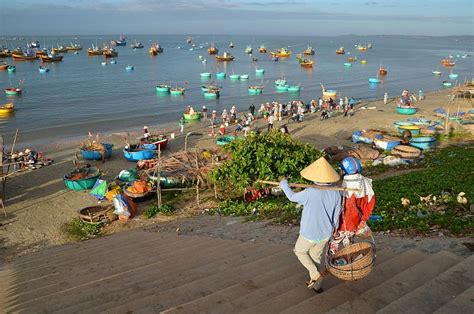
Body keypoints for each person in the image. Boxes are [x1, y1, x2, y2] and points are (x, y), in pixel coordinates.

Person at [280, 157, 342, 291]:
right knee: (315, 256)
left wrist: (284, 184)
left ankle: (315, 274)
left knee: (300, 251)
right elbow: (336, 215)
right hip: (326, 232)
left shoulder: (310, 192)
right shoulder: (336, 192)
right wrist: (335, 231)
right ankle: (317, 286)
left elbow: (292, 197)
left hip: (309, 232)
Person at [330, 157, 375, 252]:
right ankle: (349, 262)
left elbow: (338, 205)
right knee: (349, 244)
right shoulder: (365, 182)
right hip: (356, 221)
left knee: (334, 244)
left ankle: (335, 262)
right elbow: (370, 202)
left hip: (342, 223)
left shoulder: (345, 184)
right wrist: (363, 219)